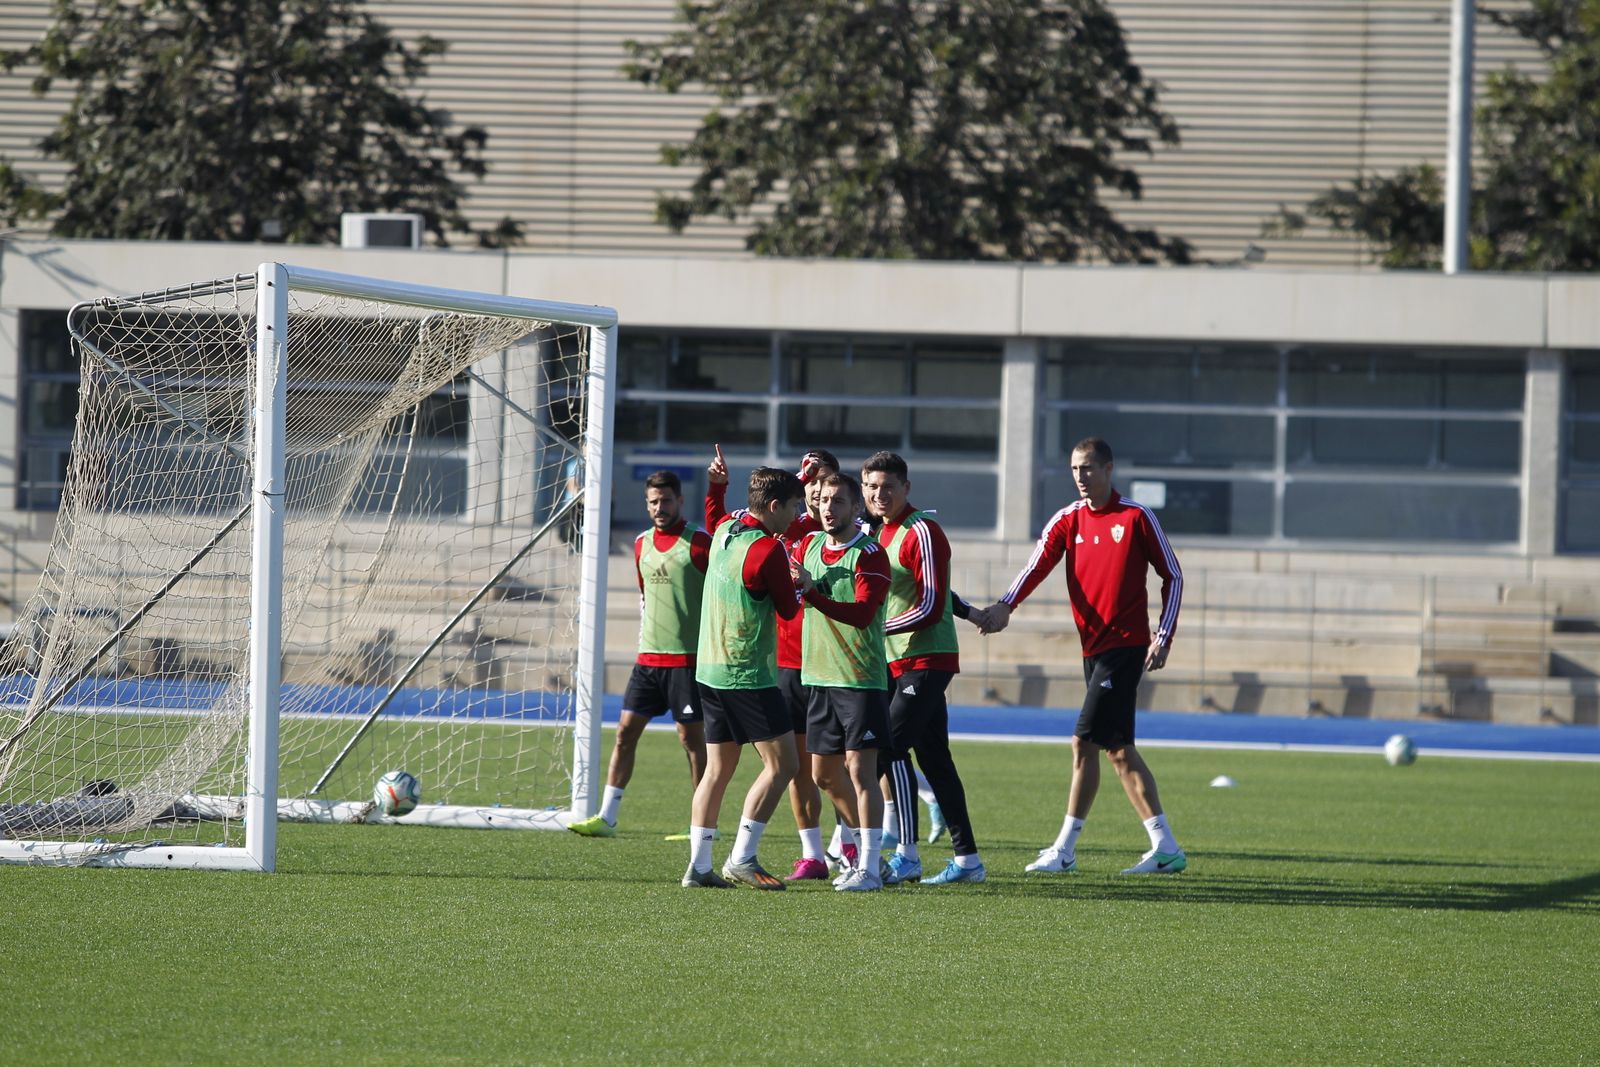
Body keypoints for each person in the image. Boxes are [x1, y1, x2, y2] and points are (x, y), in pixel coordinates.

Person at [979, 436, 1187, 875]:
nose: (1080, 476)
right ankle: (1165, 847)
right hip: (1092, 647)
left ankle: (1065, 850)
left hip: (1125, 645)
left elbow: (1173, 574)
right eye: (1075, 469)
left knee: (1083, 742)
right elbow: (1036, 565)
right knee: (1119, 751)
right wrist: (1006, 605)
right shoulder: (1068, 519)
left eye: (1089, 468)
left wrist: (1163, 635)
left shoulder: (1136, 517)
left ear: (1109, 469)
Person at [705, 444, 854, 881]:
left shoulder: (841, 532)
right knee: (797, 768)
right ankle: (813, 854)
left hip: (831, 663)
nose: (818, 495)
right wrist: (718, 489)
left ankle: (855, 846)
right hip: (783, 664)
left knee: (844, 767)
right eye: (810, 487)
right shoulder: (779, 530)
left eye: (827, 487)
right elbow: (728, 523)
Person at [861, 451, 987, 886]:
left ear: (906, 488)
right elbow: (939, 593)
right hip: (898, 658)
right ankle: (968, 861)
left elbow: (932, 603)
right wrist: (973, 612)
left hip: (927, 658)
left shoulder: (923, 530)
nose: (879, 494)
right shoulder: (879, 532)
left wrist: (874, 627)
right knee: (935, 761)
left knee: (886, 748)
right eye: (872, 487)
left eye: (888, 486)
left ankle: (906, 854)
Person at [682, 467, 811, 890]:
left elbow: (714, 513)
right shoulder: (768, 550)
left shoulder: (726, 529)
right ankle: (742, 858)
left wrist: (716, 486)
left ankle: (699, 867)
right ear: (774, 506)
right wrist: (805, 583)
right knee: (784, 764)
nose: (797, 515)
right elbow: (789, 609)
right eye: (794, 506)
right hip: (746, 674)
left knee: (717, 770)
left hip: (709, 669)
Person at [569, 471, 710, 838]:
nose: (660, 507)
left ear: (680, 501)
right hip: (648, 661)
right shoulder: (640, 544)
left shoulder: (699, 543)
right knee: (624, 733)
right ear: (646, 505)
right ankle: (607, 817)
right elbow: (646, 598)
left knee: (692, 742)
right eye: (653, 502)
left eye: (666, 500)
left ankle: (702, 824)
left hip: (687, 662)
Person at [793, 473, 892, 892]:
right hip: (818, 676)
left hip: (859, 679)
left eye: (838, 501)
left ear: (856, 508)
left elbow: (863, 614)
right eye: (823, 500)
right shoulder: (808, 546)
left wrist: (812, 593)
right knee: (824, 775)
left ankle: (869, 868)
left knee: (861, 771)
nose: (828, 508)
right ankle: (871, 858)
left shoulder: (870, 554)